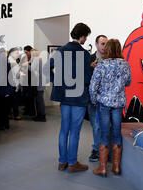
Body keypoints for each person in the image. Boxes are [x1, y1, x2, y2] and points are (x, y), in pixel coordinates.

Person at [49, 23, 92, 172]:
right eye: (86, 36)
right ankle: (72, 163)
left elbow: (46, 68)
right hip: (78, 97)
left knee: (64, 129)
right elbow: (86, 78)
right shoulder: (84, 54)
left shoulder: (60, 50)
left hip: (64, 96)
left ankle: (62, 162)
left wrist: (57, 82)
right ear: (82, 36)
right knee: (75, 131)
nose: (86, 39)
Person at [89, 39, 132, 177]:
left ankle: (102, 168)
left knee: (104, 134)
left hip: (104, 104)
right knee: (117, 134)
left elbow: (93, 86)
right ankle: (116, 167)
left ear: (107, 49)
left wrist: (95, 100)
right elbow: (129, 82)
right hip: (118, 104)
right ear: (119, 49)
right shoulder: (125, 64)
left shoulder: (102, 65)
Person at [87, 35, 108, 162]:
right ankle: (96, 149)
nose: (104, 46)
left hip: (106, 99)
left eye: (106, 43)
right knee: (96, 126)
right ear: (96, 44)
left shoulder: (111, 61)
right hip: (93, 99)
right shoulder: (89, 59)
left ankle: (104, 150)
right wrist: (91, 69)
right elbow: (85, 78)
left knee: (107, 125)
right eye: (102, 43)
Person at [0, 48, 14, 130]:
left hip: (3, 89)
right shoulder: (2, 58)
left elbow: (1, 76)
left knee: (1, 108)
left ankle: (1, 125)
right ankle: (5, 124)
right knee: (4, 108)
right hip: (6, 88)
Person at [30, 48, 46, 122]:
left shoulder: (36, 59)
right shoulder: (41, 59)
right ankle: (40, 115)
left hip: (39, 82)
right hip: (42, 82)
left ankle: (42, 116)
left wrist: (27, 65)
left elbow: (32, 69)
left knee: (39, 100)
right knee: (40, 99)